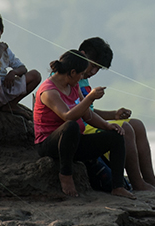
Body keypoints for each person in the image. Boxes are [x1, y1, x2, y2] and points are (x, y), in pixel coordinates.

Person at [33, 50, 134, 199]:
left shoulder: (73, 86)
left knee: (116, 137)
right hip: (50, 143)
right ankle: (66, 175)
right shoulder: (49, 91)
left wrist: (107, 126)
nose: (82, 78)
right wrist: (91, 97)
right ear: (72, 72)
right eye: (80, 74)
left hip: (74, 142)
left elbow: (87, 114)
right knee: (71, 126)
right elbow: (67, 116)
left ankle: (118, 186)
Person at [77, 37, 155, 192]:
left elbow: (89, 111)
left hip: (90, 122)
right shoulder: (70, 77)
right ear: (82, 55)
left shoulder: (83, 80)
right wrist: (92, 99)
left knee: (137, 125)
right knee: (125, 129)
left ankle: (150, 179)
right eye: (93, 66)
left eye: (97, 69)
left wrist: (114, 115)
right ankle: (138, 183)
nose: (93, 72)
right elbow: (79, 113)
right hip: (82, 129)